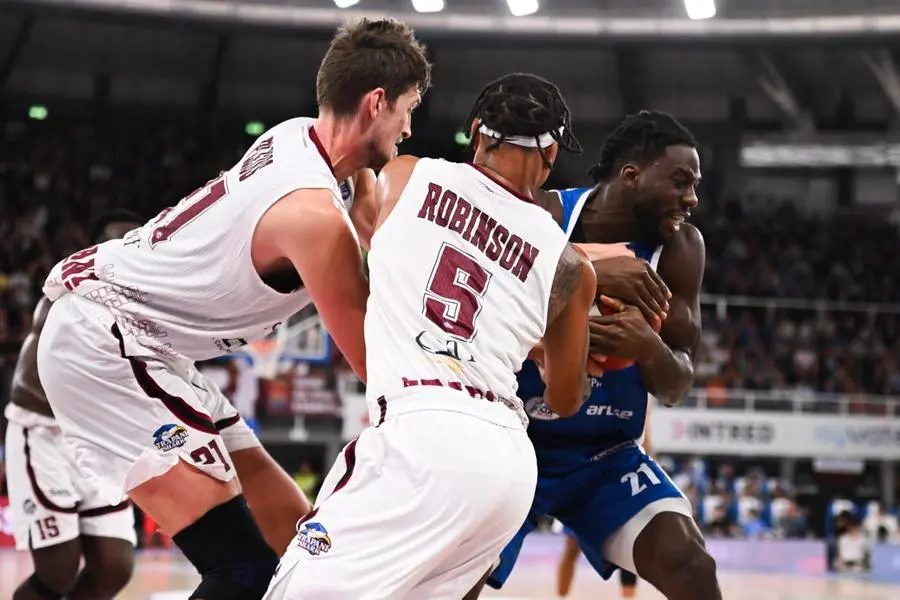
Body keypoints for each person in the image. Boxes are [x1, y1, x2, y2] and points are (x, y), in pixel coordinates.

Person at [35, 17, 431, 600]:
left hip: (150, 343)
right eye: (407, 109)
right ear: (377, 102)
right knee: (242, 571)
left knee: (299, 544)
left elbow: (371, 208)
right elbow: (378, 366)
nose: (409, 127)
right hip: (108, 341)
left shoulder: (302, 136)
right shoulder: (313, 217)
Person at [263, 72, 596, 600]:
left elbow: (382, 250)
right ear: (552, 153)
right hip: (508, 466)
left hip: (420, 434)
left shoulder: (406, 174)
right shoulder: (572, 265)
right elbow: (563, 398)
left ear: (477, 134)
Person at [468, 110, 719, 600]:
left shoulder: (682, 249)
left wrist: (647, 345)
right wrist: (583, 286)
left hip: (606, 456)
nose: (692, 199)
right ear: (631, 176)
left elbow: (676, 384)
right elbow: (483, 313)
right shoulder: (540, 214)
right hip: (514, 437)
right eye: (681, 182)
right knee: (456, 580)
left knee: (690, 564)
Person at [4, 211, 141, 600]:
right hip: (45, 432)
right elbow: (33, 384)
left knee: (115, 568)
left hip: (98, 440)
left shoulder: (148, 300)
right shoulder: (72, 288)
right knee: (57, 572)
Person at [555, 401, 655, 599]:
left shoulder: (639, 398)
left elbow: (646, 442)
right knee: (571, 547)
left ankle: (628, 596)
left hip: (620, 475)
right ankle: (561, 597)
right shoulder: (591, 392)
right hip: (584, 475)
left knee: (629, 545)